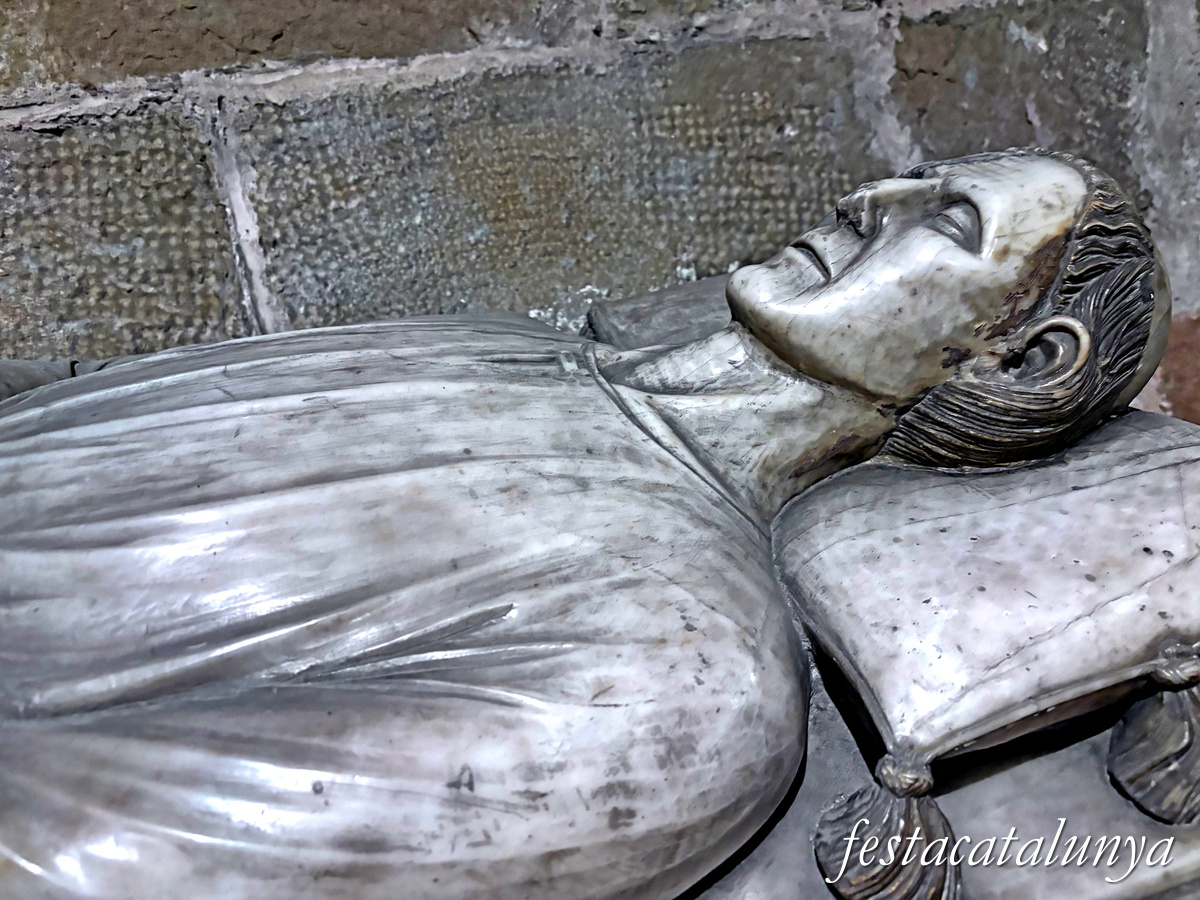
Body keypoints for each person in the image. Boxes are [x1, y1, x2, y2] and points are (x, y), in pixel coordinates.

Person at [0, 149, 1169, 899]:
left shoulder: (674, 682)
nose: (871, 197)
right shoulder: (522, 351)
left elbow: (72, 857)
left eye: (946, 220)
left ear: (1021, 363)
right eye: (920, 173)